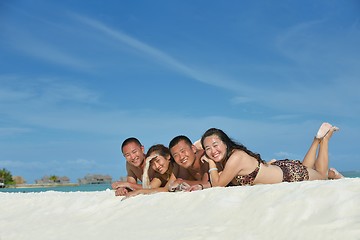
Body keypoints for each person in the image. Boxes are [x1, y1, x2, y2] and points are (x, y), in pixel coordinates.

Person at [200, 122, 341, 187]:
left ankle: (325, 140)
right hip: (283, 169)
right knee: (305, 168)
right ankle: (316, 140)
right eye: (208, 148)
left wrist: (211, 162)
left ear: (225, 143)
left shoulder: (236, 157)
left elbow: (218, 185)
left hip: (290, 176)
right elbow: (217, 179)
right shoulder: (229, 158)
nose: (213, 151)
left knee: (321, 176)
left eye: (215, 145)